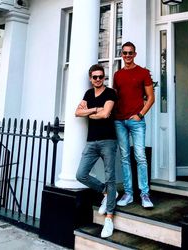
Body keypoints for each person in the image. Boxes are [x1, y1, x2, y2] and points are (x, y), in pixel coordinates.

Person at [76, 64, 118, 238]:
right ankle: (107, 192)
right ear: (90, 78)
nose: (99, 80)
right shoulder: (88, 94)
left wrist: (91, 113)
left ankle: (109, 218)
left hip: (108, 140)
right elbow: (77, 112)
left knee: (110, 176)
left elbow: (106, 114)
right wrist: (93, 110)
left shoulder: (110, 93)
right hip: (91, 141)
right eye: (95, 77)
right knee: (81, 174)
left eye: (101, 77)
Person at [113, 41, 155, 208]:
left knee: (140, 156)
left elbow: (151, 97)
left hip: (136, 121)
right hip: (119, 121)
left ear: (135, 54)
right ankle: (128, 193)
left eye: (130, 53)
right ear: (122, 55)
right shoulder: (117, 75)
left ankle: (144, 194)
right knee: (124, 158)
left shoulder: (143, 72)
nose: (127, 56)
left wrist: (140, 114)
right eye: (125, 53)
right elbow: (115, 97)